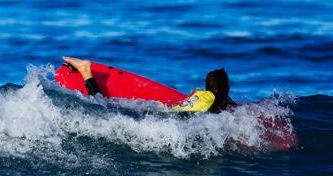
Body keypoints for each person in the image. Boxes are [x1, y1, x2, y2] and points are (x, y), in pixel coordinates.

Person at [61, 56, 235, 113]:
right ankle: (86, 71)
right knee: (105, 109)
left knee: (107, 108)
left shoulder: (202, 95)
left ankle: (86, 71)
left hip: (165, 114)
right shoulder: (220, 103)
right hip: (171, 120)